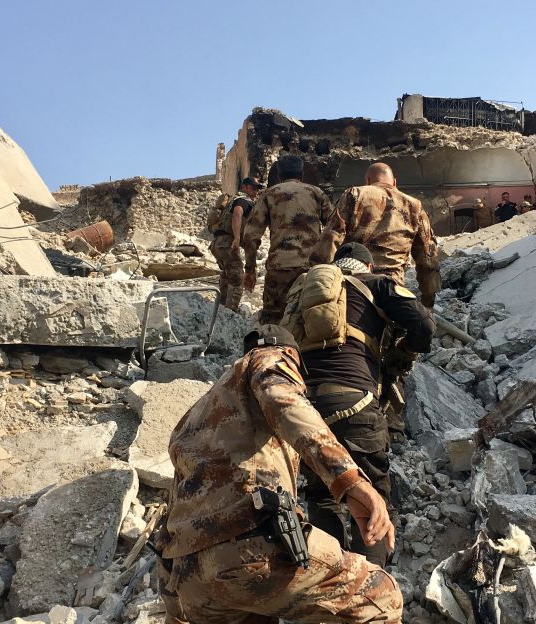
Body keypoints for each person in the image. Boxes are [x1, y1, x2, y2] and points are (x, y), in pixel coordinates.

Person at [154, 325, 402, 624]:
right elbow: (282, 399)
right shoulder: (269, 358)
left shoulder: (195, 416)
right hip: (251, 550)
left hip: (191, 580)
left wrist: (175, 609)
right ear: (290, 354)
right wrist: (350, 481)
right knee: (381, 595)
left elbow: (172, 516)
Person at [286, 243, 434, 566]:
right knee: (372, 499)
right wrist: (402, 352)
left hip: (305, 409)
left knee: (324, 492)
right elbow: (424, 325)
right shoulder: (377, 283)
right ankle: (370, 591)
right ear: (367, 266)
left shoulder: (303, 295)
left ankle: (329, 580)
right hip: (357, 404)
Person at [312, 162, 440, 309]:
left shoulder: (355, 194)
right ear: (394, 183)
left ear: (367, 180)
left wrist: (318, 278)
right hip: (393, 289)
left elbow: (331, 238)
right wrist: (428, 300)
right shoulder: (415, 206)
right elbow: (428, 257)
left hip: (355, 286)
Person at [243, 155, 333, 324]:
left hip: (280, 269)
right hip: (313, 270)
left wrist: (250, 269)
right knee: (312, 320)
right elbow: (335, 228)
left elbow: (251, 235)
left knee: (274, 324)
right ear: (302, 173)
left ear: (279, 175)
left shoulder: (269, 194)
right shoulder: (316, 193)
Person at [209, 177, 262, 311]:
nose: (256, 191)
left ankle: (221, 310)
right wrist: (237, 239)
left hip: (218, 243)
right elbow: (237, 214)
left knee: (227, 275)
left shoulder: (233, 200)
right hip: (227, 243)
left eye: (258, 188)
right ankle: (230, 313)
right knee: (237, 277)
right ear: (244, 187)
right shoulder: (244, 200)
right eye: (253, 187)